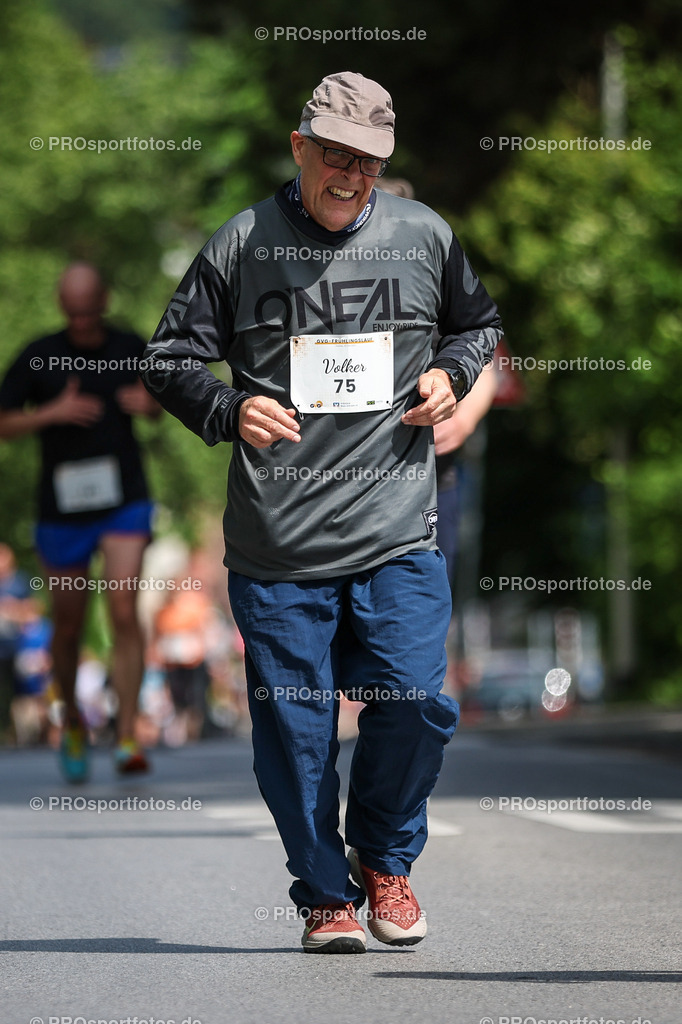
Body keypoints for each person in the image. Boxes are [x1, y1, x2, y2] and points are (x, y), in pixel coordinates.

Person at [141, 72, 503, 954]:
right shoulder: (242, 244)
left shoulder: (424, 236)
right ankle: (322, 893)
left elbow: (478, 326)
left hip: (397, 532)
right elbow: (166, 357)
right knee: (298, 739)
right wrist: (228, 409)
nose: (352, 176)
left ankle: (384, 861)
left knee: (418, 701)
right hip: (280, 546)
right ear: (301, 147)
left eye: (370, 162)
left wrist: (449, 375)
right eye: (336, 156)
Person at [0, 263, 160, 781]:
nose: (83, 322)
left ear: (105, 301)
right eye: (74, 312)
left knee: (121, 605)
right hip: (62, 508)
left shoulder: (130, 344)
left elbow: (169, 396)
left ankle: (129, 733)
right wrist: (51, 413)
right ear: (61, 306)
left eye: (91, 311)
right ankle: (71, 719)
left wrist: (151, 404)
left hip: (123, 500)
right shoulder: (38, 353)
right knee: (67, 624)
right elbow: (3, 423)